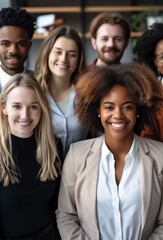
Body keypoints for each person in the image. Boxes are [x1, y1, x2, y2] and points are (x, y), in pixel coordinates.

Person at [56, 63, 163, 239]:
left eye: (127, 106)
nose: (118, 115)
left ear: (138, 110)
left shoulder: (160, 155)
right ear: (97, 110)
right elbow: (66, 215)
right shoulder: (77, 154)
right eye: (109, 107)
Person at [0, 73, 63, 239]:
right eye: (17, 106)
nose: (25, 115)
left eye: (33, 106)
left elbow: (58, 205)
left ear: (41, 109)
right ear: (3, 107)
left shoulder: (53, 145)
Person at [35, 25, 89, 156]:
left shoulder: (88, 94)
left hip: (80, 171)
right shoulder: (33, 93)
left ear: (78, 60)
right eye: (58, 52)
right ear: (47, 54)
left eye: (72, 54)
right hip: (43, 170)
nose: (64, 59)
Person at [0, 7, 35, 91]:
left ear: (29, 46)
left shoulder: (41, 82)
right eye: (5, 44)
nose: (13, 51)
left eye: (21, 44)